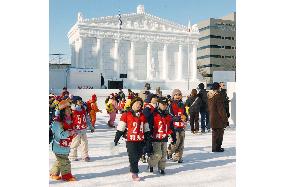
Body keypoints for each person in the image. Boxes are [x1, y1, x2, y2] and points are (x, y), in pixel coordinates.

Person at [114, 97, 151, 181]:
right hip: (131, 140)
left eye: (140, 104)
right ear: (132, 104)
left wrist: (148, 138)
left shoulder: (142, 116)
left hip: (140, 140)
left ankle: (133, 166)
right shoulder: (126, 114)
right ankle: (135, 173)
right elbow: (121, 128)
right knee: (133, 156)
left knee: (138, 155)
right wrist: (116, 139)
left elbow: (146, 128)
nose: (139, 105)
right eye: (137, 103)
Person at [147, 97, 176, 175]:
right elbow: (149, 126)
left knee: (163, 155)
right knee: (158, 154)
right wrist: (148, 136)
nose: (164, 106)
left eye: (165, 104)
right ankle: (151, 164)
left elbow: (171, 126)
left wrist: (174, 137)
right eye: (162, 104)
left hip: (164, 137)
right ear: (158, 104)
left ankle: (161, 168)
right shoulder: (153, 114)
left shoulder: (167, 115)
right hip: (155, 137)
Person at [50, 100, 77, 181]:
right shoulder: (57, 122)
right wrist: (69, 132)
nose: (69, 111)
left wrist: (73, 133)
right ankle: (67, 175)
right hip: (59, 146)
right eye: (67, 109)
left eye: (69, 109)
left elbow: (69, 130)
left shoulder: (68, 120)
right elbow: (60, 135)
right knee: (65, 161)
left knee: (59, 161)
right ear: (62, 111)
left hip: (65, 146)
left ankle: (53, 173)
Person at [69, 96, 94, 162]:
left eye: (81, 100)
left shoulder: (83, 109)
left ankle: (85, 156)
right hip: (76, 130)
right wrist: (71, 129)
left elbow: (87, 119)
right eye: (78, 100)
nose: (80, 102)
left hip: (83, 129)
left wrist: (91, 127)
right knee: (75, 143)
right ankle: (73, 156)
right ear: (75, 102)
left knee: (84, 143)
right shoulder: (72, 110)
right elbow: (70, 121)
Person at [167, 89, 188, 163]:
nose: (177, 96)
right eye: (176, 95)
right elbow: (170, 116)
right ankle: (168, 152)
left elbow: (185, 114)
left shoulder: (182, 104)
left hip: (181, 126)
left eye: (179, 95)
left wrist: (185, 117)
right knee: (176, 142)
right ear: (173, 96)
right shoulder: (170, 105)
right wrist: (179, 118)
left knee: (181, 143)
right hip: (174, 127)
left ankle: (178, 157)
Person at [207, 82, 228, 152]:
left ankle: (214, 148)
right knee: (220, 133)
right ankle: (218, 148)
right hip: (218, 118)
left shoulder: (209, 96)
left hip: (212, 117)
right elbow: (221, 109)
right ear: (218, 88)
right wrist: (225, 119)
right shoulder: (218, 96)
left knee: (214, 133)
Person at [141, 93, 158, 163]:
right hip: (148, 127)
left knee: (151, 141)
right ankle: (143, 154)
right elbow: (146, 117)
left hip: (154, 127)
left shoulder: (155, 107)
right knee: (147, 141)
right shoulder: (148, 107)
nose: (156, 99)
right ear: (150, 99)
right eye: (154, 98)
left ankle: (149, 153)